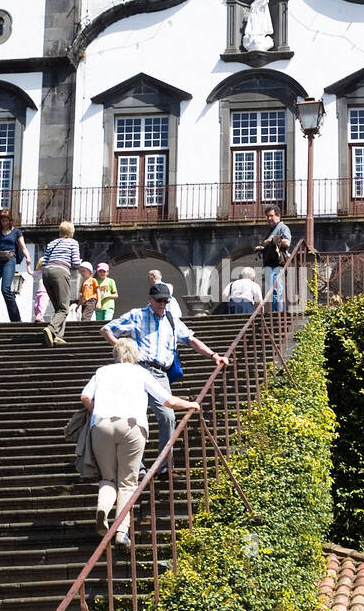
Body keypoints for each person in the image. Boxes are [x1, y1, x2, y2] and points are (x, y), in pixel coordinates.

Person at [80, 338, 201, 544]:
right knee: (127, 482)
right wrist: (191, 404)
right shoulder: (141, 372)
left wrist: (97, 414)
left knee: (108, 478)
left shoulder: (102, 372)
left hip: (102, 425)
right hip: (132, 426)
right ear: (135, 354)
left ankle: (103, 508)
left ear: (116, 353)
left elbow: (84, 397)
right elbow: (167, 401)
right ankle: (121, 532)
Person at [102, 282, 228, 472]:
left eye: (166, 301)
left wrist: (214, 356)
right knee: (134, 417)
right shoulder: (137, 315)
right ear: (150, 300)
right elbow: (106, 329)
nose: (162, 304)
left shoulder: (172, 319)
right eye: (159, 300)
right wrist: (122, 350)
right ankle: (137, 466)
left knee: (168, 416)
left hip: (160, 373)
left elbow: (191, 340)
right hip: (138, 369)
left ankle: (163, 466)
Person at [0, 210, 30, 322]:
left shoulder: (16, 232)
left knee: (5, 289)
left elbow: (23, 247)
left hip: (9, 260)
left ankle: (16, 319)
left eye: (6, 220)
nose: (4, 222)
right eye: (2, 220)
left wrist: (28, 258)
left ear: (10, 220)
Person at [41, 221, 82, 346]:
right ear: (71, 232)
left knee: (59, 308)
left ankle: (58, 336)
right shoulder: (72, 242)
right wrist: (79, 262)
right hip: (60, 271)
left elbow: (44, 262)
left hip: (46, 273)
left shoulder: (52, 243)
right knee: (64, 308)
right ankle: (51, 328)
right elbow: (75, 263)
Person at [255, 207, 292, 311]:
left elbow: (287, 243)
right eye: (267, 216)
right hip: (270, 262)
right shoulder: (272, 229)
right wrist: (263, 247)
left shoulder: (283, 227)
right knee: (272, 290)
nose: (269, 218)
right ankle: (276, 311)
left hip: (277, 263)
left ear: (278, 216)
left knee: (276, 289)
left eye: (271, 216)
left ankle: (278, 313)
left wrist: (271, 240)